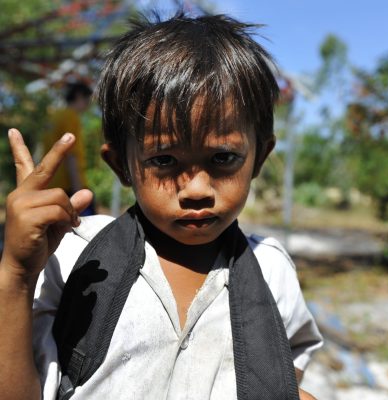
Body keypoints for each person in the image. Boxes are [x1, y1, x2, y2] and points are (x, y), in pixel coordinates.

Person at [0, 13, 322, 400]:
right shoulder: (73, 259)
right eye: (164, 160)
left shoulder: (271, 273)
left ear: (259, 158)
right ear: (121, 165)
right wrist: (16, 276)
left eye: (222, 157)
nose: (198, 189)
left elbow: (284, 379)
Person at [42, 81, 95, 215]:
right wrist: (78, 191)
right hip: (69, 186)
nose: (89, 105)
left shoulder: (54, 116)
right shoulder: (71, 117)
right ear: (79, 96)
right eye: (87, 99)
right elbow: (71, 155)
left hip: (51, 185)